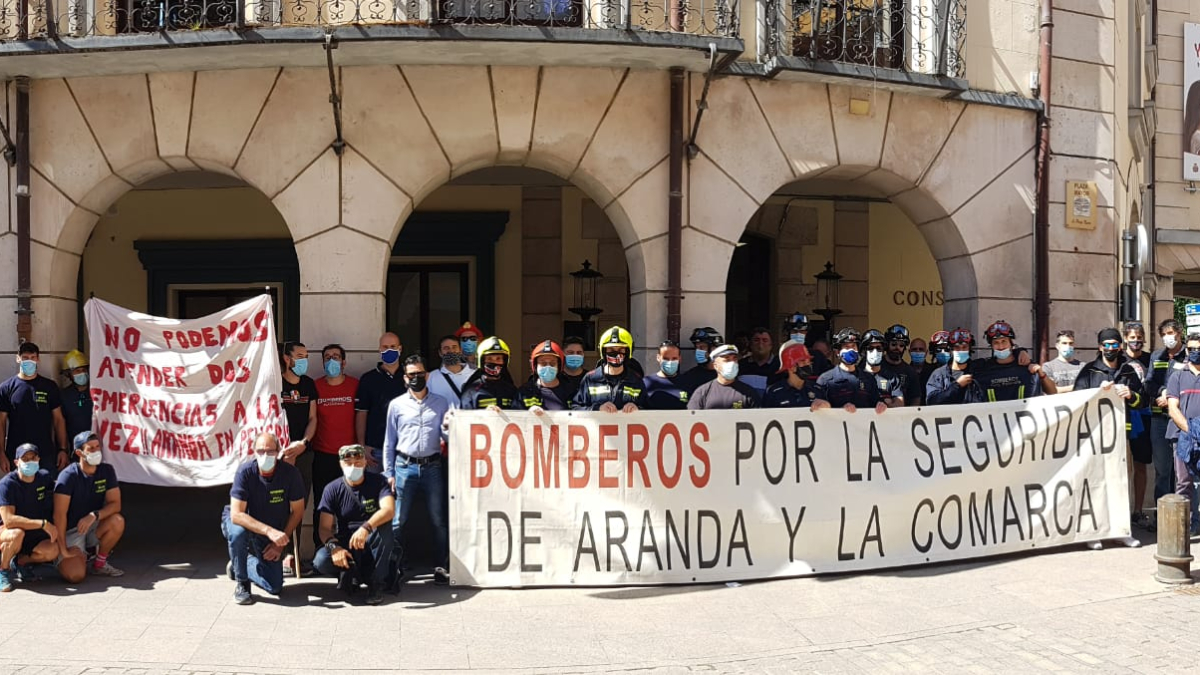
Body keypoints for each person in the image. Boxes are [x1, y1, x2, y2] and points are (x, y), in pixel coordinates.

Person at [1071, 328, 1144, 550]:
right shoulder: (1089, 371)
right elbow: (1077, 400)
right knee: (1095, 483)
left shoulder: (1129, 370)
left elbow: (1142, 400)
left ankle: (1120, 531)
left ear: (1120, 346)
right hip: (1095, 436)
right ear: (1100, 346)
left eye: (1115, 344)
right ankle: (1094, 532)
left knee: (1118, 482)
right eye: (1107, 345)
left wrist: (1131, 395)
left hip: (1121, 436)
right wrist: (1097, 393)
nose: (1111, 349)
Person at [383, 355, 451, 586]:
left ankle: (441, 565)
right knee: (398, 520)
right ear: (405, 378)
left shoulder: (442, 403)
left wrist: (449, 427)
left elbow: (448, 437)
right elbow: (389, 442)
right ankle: (398, 565)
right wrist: (388, 473)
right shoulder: (396, 405)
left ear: (427, 375)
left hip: (432, 466)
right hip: (404, 467)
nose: (416, 378)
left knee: (438, 519)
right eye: (411, 375)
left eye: (420, 374)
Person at [222, 432, 305, 605]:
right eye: (260, 451)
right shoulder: (245, 472)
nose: (265, 456)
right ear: (254, 452)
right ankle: (242, 583)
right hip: (243, 521)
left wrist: (279, 544)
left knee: (274, 586)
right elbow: (237, 515)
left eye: (270, 451)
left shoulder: (291, 474)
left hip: (269, 529)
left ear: (278, 452)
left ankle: (240, 564)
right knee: (238, 534)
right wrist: (270, 531)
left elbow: (297, 511)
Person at [313, 444, 395, 605]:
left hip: (372, 538)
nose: (353, 466)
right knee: (321, 560)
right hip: (346, 541)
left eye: (358, 462)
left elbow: (389, 510)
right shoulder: (332, 489)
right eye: (348, 462)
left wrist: (366, 527)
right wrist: (334, 547)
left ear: (365, 462)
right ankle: (351, 573)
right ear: (341, 464)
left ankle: (376, 584)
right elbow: (324, 528)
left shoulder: (379, 482)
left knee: (385, 529)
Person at [53, 431, 125, 581]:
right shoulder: (68, 476)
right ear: (79, 452)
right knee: (76, 576)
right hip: (72, 530)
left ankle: (99, 563)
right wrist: (63, 549)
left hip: (93, 524)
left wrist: (94, 515)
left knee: (117, 521)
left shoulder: (107, 470)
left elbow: (115, 504)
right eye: (91, 448)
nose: (96, 451)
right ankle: (66, 558)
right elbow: (59, 515)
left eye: (97, 447)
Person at [312, 343, 359, 552]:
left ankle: (350, 548)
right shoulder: (315, 387)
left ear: (344, 362)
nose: (332, 360)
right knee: (322, 506)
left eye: (336, 356)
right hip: (323, 455)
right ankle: (320, 551)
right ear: (323, 362)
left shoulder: (355, 385)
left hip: (350, 457)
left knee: (350, 505)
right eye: (328, 357)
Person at [0, 342, 68, 475]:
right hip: (17, 456)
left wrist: (63, 450)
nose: (29, 361)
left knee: (46, 494)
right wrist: (1, 453)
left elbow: (59, 420)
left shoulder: (49, 386)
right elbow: (1, 424)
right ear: (18, 358)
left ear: (38, 359)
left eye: (32, 357)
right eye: (25, 358)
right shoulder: (6, 388)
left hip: (46, 455)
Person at [0, 444, 60, 592]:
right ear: (16, 462)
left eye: (33, 458)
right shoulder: (8, 484)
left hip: (34, 533)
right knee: (16, 534)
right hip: (9, 530)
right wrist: (43, 524)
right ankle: (3, 570)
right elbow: (9, 520)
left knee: (52, 550)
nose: (29, 462)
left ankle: (21, 562)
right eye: (24, 459)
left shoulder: (44, 477)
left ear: (38, 459)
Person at [280, 341, 318, 558]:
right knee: (278, 503)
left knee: (299, 503)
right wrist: (286, 450)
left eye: (306, 356)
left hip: (304, 452)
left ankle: (292, 555)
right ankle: (279, 551)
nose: (304, 360)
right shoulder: (276, 383)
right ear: (288, 358)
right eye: (300, 356)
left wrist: (302, 444)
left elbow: (313, 418)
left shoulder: (308, 385)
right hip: (281, 453)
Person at [1146, 318, 1186, 516]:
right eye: (1165, 334)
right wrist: (1161, 391)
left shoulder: (1189, 356)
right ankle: (1162, 516)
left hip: (1181, 419)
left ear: (1179, 334)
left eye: (1172, 333)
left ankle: (1184, 515)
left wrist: (1171, 397)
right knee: (1162, 470)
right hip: (1159, 419)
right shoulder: (1157, 356)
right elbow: (1149, 383)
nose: (1168, 338)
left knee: (1183, 472)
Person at [1166, 332, 1200, 536]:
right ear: (1187, 350)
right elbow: (1172, 408)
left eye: (1199, 349)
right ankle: (1183, 528)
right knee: (1184, 482)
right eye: (1192, 349)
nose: (1195, 353)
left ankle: (1197, 523)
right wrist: (1192, 430)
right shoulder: (1177, 376)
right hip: (1182, 438)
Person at [355, 334, 404, 471]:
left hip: (405, 449)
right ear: (379, 350)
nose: (389, 350)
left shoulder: (409, 376)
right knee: (375, 492)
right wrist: (362, 445)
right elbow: (362, 413)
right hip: (375, 450)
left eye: (393, 347)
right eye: (385, 347)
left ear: (400, 349)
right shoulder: (368, 379)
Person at [811, 328, 888, 414]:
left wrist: (881, 405)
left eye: (853, 346)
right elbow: (818, 410)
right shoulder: (825, 379)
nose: (851, 350)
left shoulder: (868, 379)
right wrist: (840, 410)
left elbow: (875, 403)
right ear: (837, 352)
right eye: (847, 347)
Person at [969, 320, 1050, 402]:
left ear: (1011, 343)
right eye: (996, 343)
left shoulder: (1026, 364)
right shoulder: (982, 367)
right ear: (991, 346)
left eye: (1004, 341)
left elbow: (1052, 392)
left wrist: (1041, 374)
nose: (1001, 346)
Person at [1123, 322, 1153, 530]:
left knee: (1141, 465)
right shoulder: (1118, 359)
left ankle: (1138, 510)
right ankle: (1121, 512)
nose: (1136, 341)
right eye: (1132, 337)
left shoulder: (1150, 359)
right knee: (1122, 466)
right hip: (1121, 417)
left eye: (1139, 337)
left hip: (1144, 417)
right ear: (1125, 338)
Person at [574, 326, 645, 412]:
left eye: (621, 349)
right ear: (603, 351)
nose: (616, 354)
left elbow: (651, 412)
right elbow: (575, 409)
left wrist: (638, 408)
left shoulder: (636, 380)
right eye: (611, 349)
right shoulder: (590, 379)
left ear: (628, 351)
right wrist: (597, 408)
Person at [689, 344, 760, 410]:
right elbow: (692, 417)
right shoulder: (702, 392)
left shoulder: (748, 393)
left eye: (734, 359)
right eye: (727, 359)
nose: (732, 363)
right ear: (715, 365)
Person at [460, 337, 521, 411]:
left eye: (498, 359)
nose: (494, 362)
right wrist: (486, 415)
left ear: (504, 361)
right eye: (489, 359)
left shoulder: (511, 390)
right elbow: (464, 418)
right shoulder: (471, 391)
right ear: (482, 361)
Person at [926, 328, 976, 406]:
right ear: (951, 349)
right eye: (957, 347)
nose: (961, 350)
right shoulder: (939, 374)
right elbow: (931, 401)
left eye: (964, 347)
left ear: (970, 349)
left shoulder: (977, 370)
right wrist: (957, 385)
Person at [519, 340, 574, 412]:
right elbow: (513, 417)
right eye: (543, 363)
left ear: (559, 366)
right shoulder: (524, 392)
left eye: (552, 363)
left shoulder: (571, 391)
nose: (548, 367)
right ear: (535, 366)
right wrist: (528, 415)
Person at [764, 341, 818, 408]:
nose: (808, 364)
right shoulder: (774, 393)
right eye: (803, 361)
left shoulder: (817, 390)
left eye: (808, 361)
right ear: (791, 367)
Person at [427, 335, 475, 410]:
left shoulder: (474, 375)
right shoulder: (431, 377)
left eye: (454, 347)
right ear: (440, 353)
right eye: (446, 348)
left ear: (460, 350)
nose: (451, 351)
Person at [882, 324, 921, 406]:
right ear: (886, 345)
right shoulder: (876, 366)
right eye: (893, 344)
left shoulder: (910, 372)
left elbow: (915, 398)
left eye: (901, 345)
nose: (897, 348)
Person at [643, 340, 689, 410]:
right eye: (666, 358)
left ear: (680, 358)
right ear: (658, 358)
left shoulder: (689, 382)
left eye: (674, 358)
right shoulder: (645, 383)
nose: (670, 362)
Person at [59, 349, 93, 440]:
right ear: (68, 374)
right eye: (77, 371)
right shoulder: (64, 396)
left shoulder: (96, 392)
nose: (82, 373)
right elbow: (60, 423)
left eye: (84, 370)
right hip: (76, 446)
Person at [677, 327, 722, 394]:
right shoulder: (689, 377)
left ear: (715, 349)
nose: (698, 351)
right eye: (696, 347)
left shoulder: (727, 375)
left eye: (702, 347)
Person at [737, 327, 778, 392]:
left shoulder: (780, 366)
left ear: (771, 345)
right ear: (750, 344)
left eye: (765, 340)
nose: (760, 344)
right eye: (756, 340)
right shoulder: (740, 366)